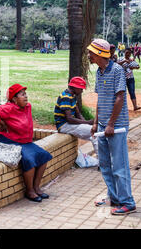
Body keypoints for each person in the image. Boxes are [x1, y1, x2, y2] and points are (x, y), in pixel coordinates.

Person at [87, 38, 136, 215]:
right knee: (106, 164)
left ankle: (127, 202)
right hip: (103, 125)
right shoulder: (99, 72)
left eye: (91, 52)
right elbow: (100, 100)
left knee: (119, 165)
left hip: (117, 126)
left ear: (100, 53)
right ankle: (114, 197)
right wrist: (95, 123)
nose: (88, 55)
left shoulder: (117, 70)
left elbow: (120, 98)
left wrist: (111, 124)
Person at [0, 84, 52, 203]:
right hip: (11, 141)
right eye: (22, 95)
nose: (26, 97)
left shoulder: (28, 106)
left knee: (44, 156)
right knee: (29, 160)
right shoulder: (8, 108)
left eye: (25, 94)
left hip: (25, 141)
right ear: (14, 99)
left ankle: (37, 187)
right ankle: (30, 190)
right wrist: (1, 123)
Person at [54, 76, 99, 158]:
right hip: (63, 125)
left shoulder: (72, 97)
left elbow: (78, 114)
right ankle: (102, 163)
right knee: (95, 134)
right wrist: (87, 123)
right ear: (75, 87)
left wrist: (88, 125)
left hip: (68, 124)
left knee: (93, 131)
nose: (82, 91)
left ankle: (102, 161)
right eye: (81, 89)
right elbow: (69, 119)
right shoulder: (66, 97)